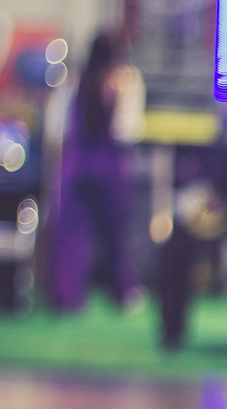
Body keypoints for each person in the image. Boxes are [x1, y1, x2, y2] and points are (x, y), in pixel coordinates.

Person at [50, 32, 140, 311]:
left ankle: (68, 297)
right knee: (115, 235)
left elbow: (57, 128)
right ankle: (122, 293)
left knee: (72, 237)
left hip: (76, 167)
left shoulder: (73, 80)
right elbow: (127, 130)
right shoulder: (125, 80)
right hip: (109, 167)